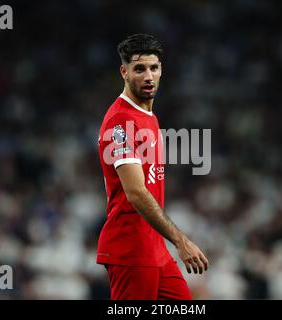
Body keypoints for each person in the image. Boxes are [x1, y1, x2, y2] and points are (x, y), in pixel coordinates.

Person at [97, 33, 209, 300]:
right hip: (131, 248)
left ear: (161, 71)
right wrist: (181, 241)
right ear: (124, 72)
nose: (148, 76)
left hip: (154, 246)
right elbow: (135, 192)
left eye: (153, 68)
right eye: (139, 69)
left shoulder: (148, 116)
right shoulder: (121, 121)